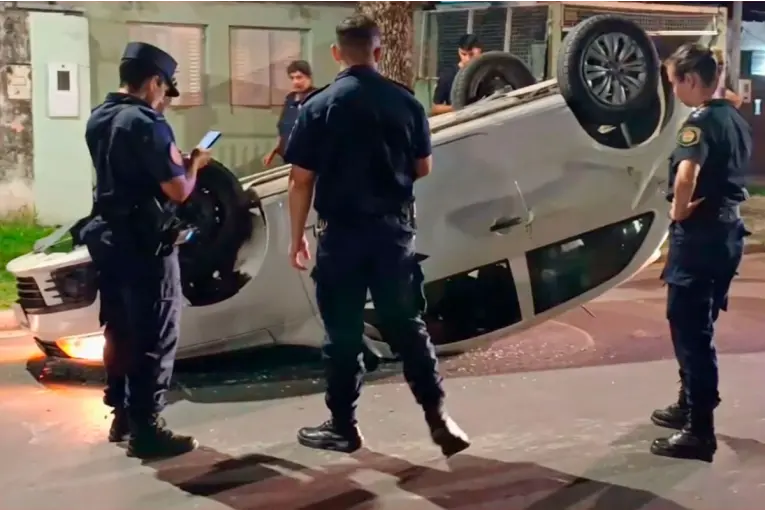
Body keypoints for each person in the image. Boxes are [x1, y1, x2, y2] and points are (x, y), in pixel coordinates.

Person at [283, 13, 470, 456]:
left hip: (341, 237)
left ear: (336, 53)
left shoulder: (318, 106)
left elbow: (300, 180)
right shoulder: (405, 102)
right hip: (392, 235)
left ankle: (343, 426)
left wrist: (296, 238)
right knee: (407, 327)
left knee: (343, 334)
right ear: (379, 51)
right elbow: (423, 167)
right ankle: (438, 416)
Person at [81, 41, 211, 458]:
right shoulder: (146, 123)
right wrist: (194, 163)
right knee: (154, 332)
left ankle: (122, 415)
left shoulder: (99, 117)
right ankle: (147, 429)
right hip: (144, 242)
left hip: (108, 238)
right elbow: (179, 189)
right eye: (165, 90)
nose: (165, 99)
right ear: (154, 81)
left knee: (118, 329)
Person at [649, 43, 751, 462]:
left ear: (690, 80)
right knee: (698, 323)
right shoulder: (734, 118)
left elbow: (687, 173)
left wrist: (677, 211)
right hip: (727, 234)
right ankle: (689, 403)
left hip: (700, 237)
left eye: (674, 82)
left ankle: (699, 431)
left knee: (691, 331)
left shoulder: (700, 122)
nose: (674, 92)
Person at [262, 60, 317, 168]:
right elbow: (283, 128)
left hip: (307, 160)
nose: (296, 82)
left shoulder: (317, 98)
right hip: (288, 158)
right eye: (292, 78)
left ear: (309, 77)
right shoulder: (290, 99)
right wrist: (274, 151)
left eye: (299, 77)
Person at [431, 34, 482, 116]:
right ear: (459, 52)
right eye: (464, 54)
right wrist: (458, 108)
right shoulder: (448, 75)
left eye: (471, 54)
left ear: (480, 52)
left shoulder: (485, 73)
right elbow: (435, 108)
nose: (467, 59)